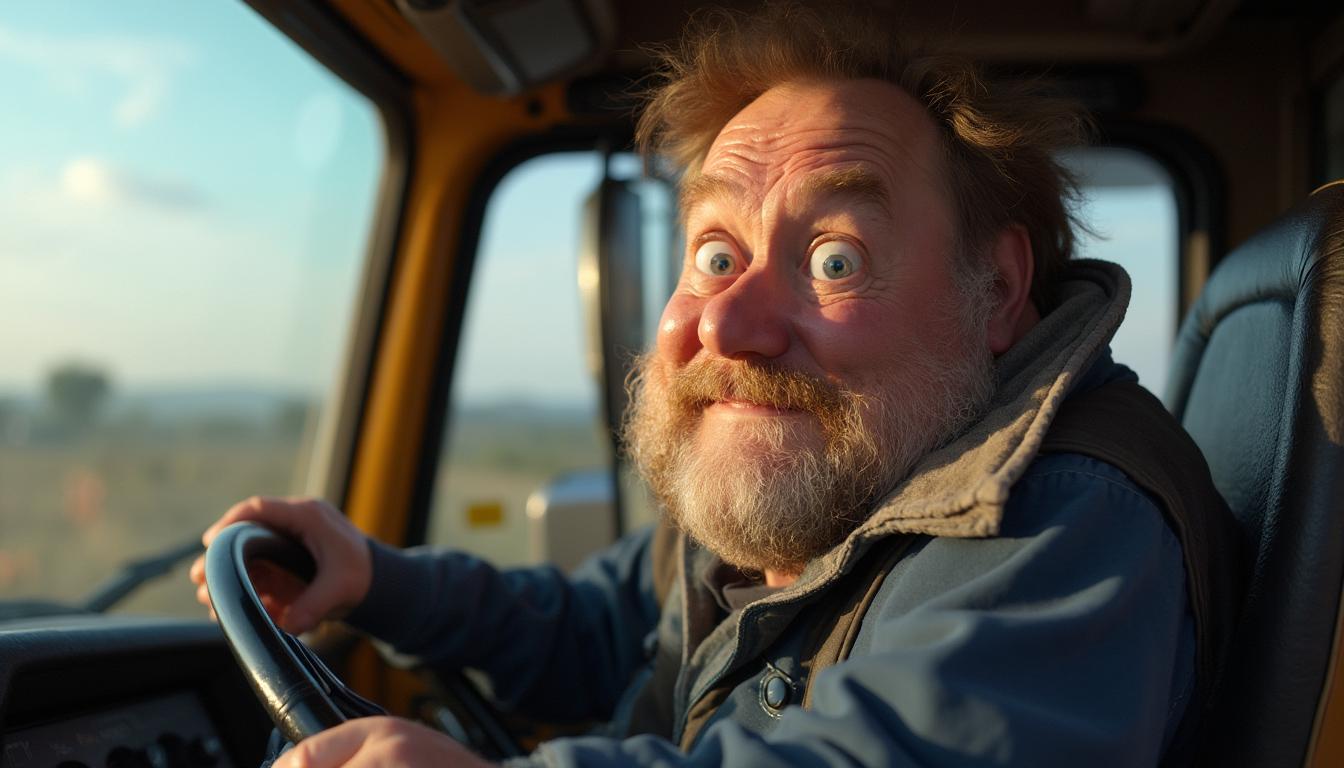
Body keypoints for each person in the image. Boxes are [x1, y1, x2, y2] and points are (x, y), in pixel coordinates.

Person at [191, 3, 1240, 766]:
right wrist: (378, 581)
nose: (730, 326)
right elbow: (602, 632)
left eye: (834, 260)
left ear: (999, 289)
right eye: (715, 255)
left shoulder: (1067, 517)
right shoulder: (824, 484)